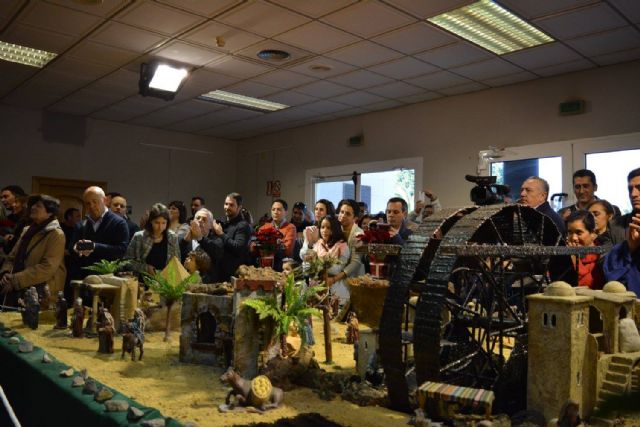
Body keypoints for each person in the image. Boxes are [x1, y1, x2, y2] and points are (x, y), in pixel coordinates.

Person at [0, 195, 66, 306]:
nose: (33, 208)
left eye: (38, 206)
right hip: (16, 289)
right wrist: (6, 273)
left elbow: (47, 267)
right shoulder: (27, 230)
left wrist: (15, 280)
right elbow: (11, 257)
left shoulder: (56, 234)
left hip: (40, 293)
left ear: (49, 213)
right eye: (33, 205)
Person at [71, 186, 129, 278]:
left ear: (105, 201)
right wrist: (76, 248)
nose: (91, 206)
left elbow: (122, 250)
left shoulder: (119, 223)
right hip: (83, 278)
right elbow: (72, 249)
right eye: (88, 203)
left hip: (108, 278)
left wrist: (94, 246)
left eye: (95, 201)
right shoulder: (81, 225)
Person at [300, 216, 351, 306]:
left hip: (335, 287)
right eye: (322, 227)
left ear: (335, 229)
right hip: (316, 287)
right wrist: (310, 246)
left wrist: (317, 261)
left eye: (328, 227)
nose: (324, 230)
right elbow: (306, 263)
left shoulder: (342, 245)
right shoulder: (319, 242)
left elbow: (338, 269)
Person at [603, 168, 640, 293]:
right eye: (630, 189)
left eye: (639, 188)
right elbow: (603, 265)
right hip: (626, 300)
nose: (633, 194)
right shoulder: (615, 226)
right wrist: (629, 248)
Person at [208, 193, 252, 282]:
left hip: (232, 274)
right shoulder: (221, 222)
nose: (227, 207)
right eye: (226, 204)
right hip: (217, 271)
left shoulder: (243, 225)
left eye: (231, 205)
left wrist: (221, 234)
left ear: (239, 207)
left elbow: (238, 248)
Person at [126, 203, 180, 275]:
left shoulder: (172, 237)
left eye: (164, 223)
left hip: (164, 281)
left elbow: (177, 263)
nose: (160, 227)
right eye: (157, 223)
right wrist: (146, 268)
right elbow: (127, 262)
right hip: (142, 280)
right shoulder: (139, 237)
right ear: (151, 221)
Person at [565, 210, 604, 289]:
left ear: (593, 233)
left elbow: (588, 285)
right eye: (570, 232)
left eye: (579, 233)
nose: (574, 238)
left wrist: (574, 259)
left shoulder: (601, 258)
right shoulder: (564, 253)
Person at [256, 199, 296, 271]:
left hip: (282, 266)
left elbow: (287, 250)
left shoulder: (290, 227)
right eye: (273, 209)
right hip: (264, 265)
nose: (275, 212)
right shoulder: (264, 227)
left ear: (286, 212)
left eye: (279, 210)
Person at [183, 208, 223, 281]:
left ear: (210, 225)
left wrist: (200, 238)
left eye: (204, 219)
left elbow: (216, 253)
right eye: (198, 218)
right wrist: (184, 241)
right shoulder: (185, 239)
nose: (200, 221)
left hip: (207, 285)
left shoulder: (217, 240)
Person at [336, 199, 365, 280]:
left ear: (355, 218)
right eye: (341, 212)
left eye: (348, 214)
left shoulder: (359, 234)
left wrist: (336, 278)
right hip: (335, 274)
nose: (343, 215)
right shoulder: (335, 228)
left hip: (353, 278)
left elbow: (356, 262)